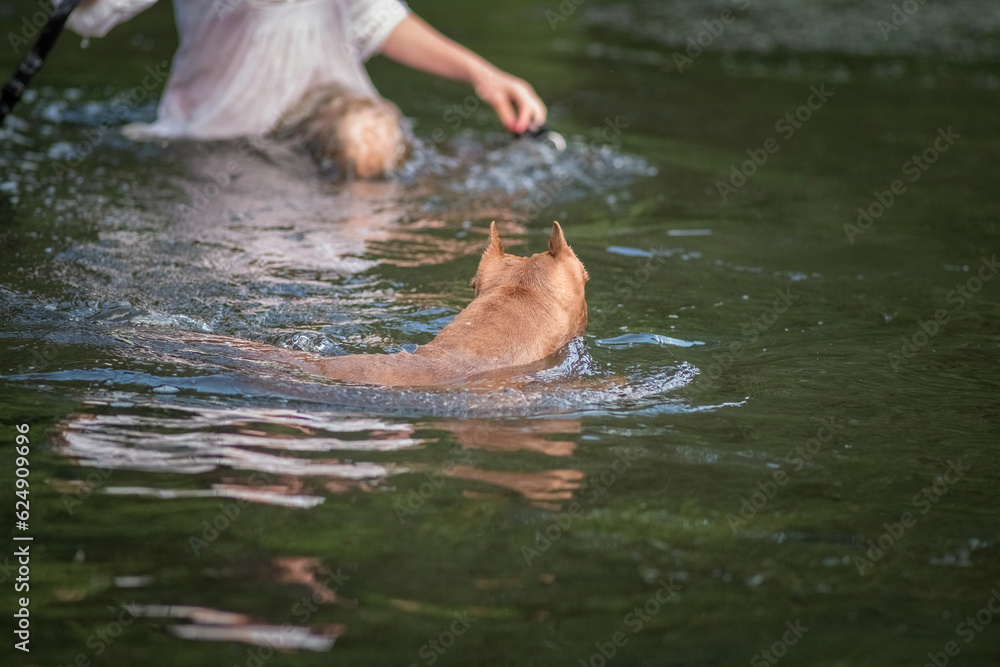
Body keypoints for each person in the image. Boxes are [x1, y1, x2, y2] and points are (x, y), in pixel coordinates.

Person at [65, 0, 547, 177]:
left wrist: (483, 74)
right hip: (222, 142)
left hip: (333, 118)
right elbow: (95, 13)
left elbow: (374, 16)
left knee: (367, 139)